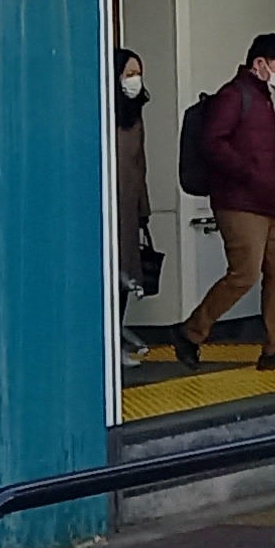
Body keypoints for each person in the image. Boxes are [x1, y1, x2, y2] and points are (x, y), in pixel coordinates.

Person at [180, 36, 275, 370]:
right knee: (244, 275)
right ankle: (191, 332)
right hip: (239, 202)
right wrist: (248, 172)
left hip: (270, 204)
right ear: (260, 63)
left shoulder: (260, 97)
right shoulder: (234, 96)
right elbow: (213, 143)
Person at [115, 50, 158, 364]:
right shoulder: (98, 112)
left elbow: (139, 164)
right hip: (104, 210)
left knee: (125, 276)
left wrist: (144, 210)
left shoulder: (134, 116)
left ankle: (116, 338)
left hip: (128, 209)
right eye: (129, 74)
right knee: (108, 274)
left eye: (138, 73)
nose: (135, 80)